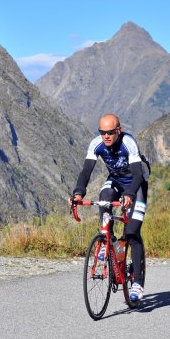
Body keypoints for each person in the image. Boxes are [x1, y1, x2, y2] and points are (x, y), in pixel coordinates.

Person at [72, 113, 149, 301]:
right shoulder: (96, 144)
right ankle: (108, 239)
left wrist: (130, 194)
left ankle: (137, 282)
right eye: (102, 132)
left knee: (131, 231)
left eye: (110, 132)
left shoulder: (128, 143)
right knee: (104, 197)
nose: (105, 136)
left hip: (136, 183)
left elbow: (138, 175)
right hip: (115, 180)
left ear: (118, 130)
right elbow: (86, 170)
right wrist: (78, 192)